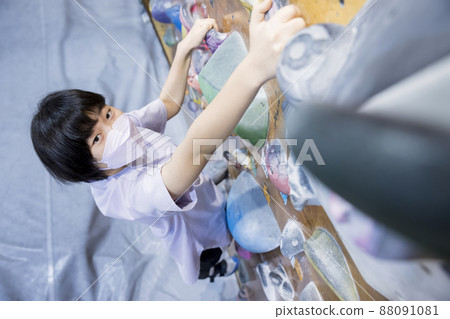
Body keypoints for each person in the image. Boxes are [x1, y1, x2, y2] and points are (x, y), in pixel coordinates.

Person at [30, 0, 305, 284]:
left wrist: (185, 49)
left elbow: (168, 103)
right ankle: (222, 266)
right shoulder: (127, 196)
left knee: (216, 200)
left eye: (107, 113)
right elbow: (195, 150)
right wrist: (255, 67)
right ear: (83, 167)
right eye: (97, 138)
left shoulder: (121, 129)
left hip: (202, 195)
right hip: (198, 238)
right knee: (218, 246)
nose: (116, 126)